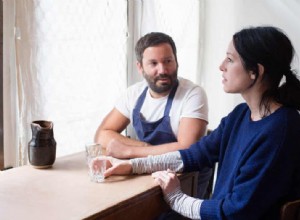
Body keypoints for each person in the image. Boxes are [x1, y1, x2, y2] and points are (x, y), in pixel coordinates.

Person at [100, 26, 300, 219]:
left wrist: (176, 198)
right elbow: (196, 154)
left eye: (230, 59)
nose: (221, 66)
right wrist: (132, 166)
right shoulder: (241, 114)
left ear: (255, 71)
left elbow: (236, 211)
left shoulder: (281, 129)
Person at [94, 32, 212, 198]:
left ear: (176, 61)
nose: (162, 70)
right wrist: (144, 148)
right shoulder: (133, 94)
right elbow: (102, 134)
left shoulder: (192, 94)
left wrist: (128, 151)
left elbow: (187, 148)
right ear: (140, 67)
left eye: (168, 61)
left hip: (185, 181)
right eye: (153, 63)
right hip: (146, 175)